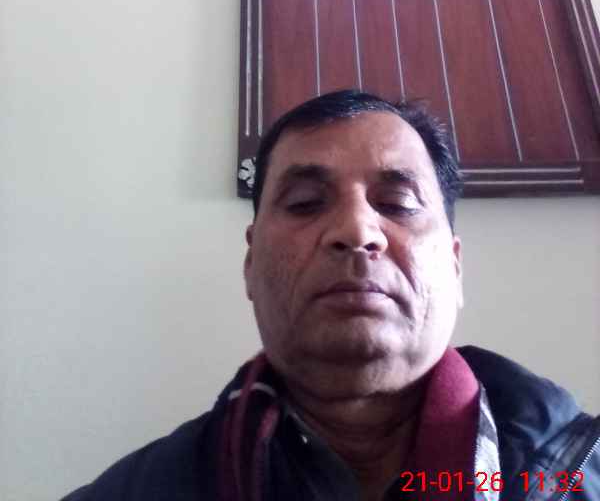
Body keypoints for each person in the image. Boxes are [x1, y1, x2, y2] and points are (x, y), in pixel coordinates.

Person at [61, 90, 600, 500]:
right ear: (250, 263)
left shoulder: (578, 474)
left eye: (397, 203)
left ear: (454, 266)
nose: (357, 230)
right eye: (304, 202)